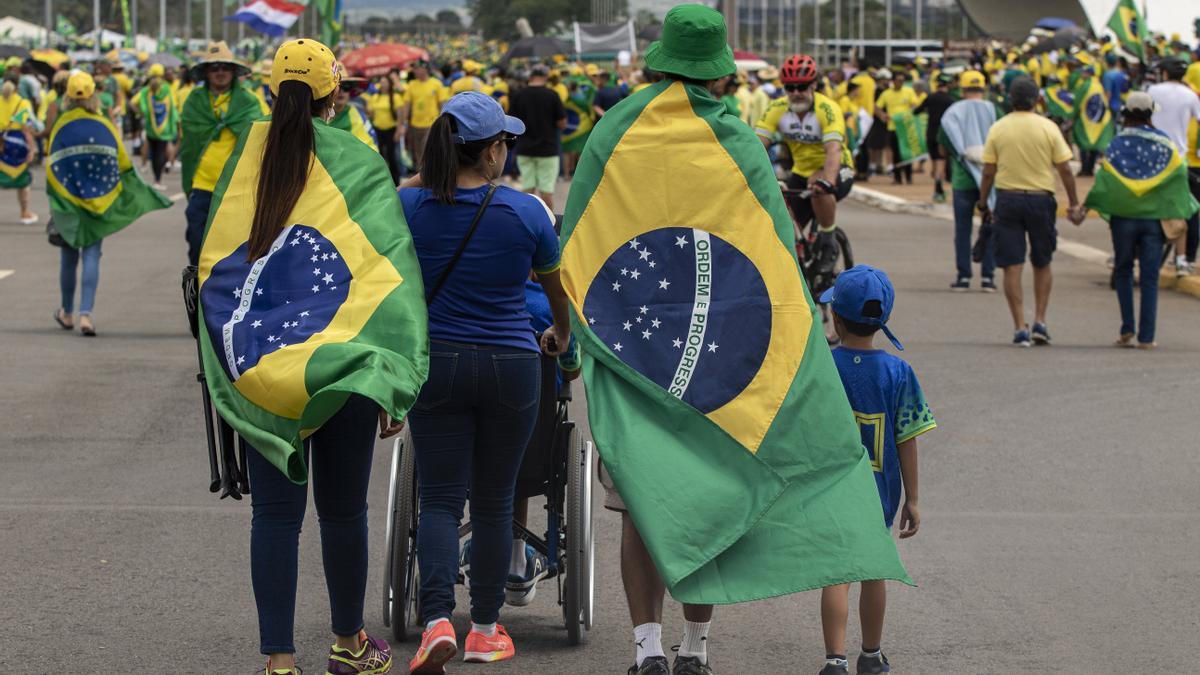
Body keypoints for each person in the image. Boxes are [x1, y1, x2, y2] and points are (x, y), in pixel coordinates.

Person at [196, 38, 428, 675]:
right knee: (343, 510)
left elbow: (211, 264)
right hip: (345, 365)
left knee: (274, 515)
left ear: (271, 90)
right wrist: (391, 377)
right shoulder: (358, 159)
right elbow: (389, 274)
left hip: (263, 367)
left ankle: (278, 661)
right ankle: (349, 644)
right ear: (336, 94)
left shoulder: (243, 157)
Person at [398, 91, 571, 673]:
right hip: (511, 364)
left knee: (441, 500)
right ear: (492, 150)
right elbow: (556, 297)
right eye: (504, 142)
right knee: (496, 502)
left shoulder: (409, 206)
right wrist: (560, 337)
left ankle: (437, 620)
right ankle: (487, 629)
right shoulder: (526, 213)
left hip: (438, 361)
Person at [816, 265, 935, 675]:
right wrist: (914, 499)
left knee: (837, 571)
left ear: (835, 316)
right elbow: (907, 438)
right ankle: (870, 653)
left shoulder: (824, 367)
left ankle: (834, 659)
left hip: (831, 490)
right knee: (873, 570)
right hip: (880, 493)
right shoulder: (898, 372)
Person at [48, 70, 171, 338]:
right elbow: (124, 163)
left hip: (68, 202)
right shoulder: (103, 124)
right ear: (93, 94)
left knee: (68, 256)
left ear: (67, 96)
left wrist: (57, 199)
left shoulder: (61, 124)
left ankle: (66, 312)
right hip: (99, 202)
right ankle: (86, 316)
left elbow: (53, 164)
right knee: (92, 254)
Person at [1083, 92, 1200, 349]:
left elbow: (1106, 178)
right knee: (1149, 277)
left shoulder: (1116, 143)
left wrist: (1088, 205)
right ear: (1150, 115)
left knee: (1123, 270)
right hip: (1154, 221)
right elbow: (1178, 175)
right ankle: (1147, 337)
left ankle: (1127, 328)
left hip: (1123, 219)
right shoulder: (1165, 144)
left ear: (1127, 115)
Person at [978, 76, 1082, 347]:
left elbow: (988, 171)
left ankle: (1019, 326)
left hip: (1008, 199)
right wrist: (1073, 202)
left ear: (1010, 100)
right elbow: (1065, 169)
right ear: (1038, 100)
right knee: (1042, 261)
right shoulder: (1048, 128)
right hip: (1041, 200)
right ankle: (1040, 320)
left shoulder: (998, 129)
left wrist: (982, 201)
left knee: (1012, 265)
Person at [757, 53, 854, 262]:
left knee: (818, 188)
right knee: (784, 226)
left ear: (814, 85)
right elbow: (756, 145)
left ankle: (828, 239)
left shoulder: (827, 109)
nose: (796, 93)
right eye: (790, 88)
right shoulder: (776, 108)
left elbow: (834, 149)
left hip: (837, 168)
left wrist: (827, 179)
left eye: (802, 86)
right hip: (801, 172)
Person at [179, 41, 268, 266]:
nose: (220, 72)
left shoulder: (248, 101)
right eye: (214, 67)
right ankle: (196, 295)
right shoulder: (194, 101)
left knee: (235, 250)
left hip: (236, 188)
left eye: (225, 67)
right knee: (196, 244)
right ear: (206, 73)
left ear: (233, 71)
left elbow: (258, 139)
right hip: (202, 186)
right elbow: (189, 142)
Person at [938, 70, 1000, 292]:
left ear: (962, 89)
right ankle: (988, 277)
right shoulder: (994, 110)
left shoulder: (952, 112)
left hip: (962, 179)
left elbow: (944, 144)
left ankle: (963, 276)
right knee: (990, 225)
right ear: (983, 88)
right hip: (989, 178)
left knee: (962, 229)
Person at [1148, 58, 1200, 274]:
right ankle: (1181, 260)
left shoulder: (1153, 90)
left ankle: (1131, 252)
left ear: (1165, 74)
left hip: (1151, 156)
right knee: (1179, 209)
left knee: (1145, 205)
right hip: (1179, 159)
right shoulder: (1190, 96)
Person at [508, 64, 566, 211]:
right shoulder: (552, 95)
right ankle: (549, 226)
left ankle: (526, 225)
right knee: (546, 193)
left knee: (527, 190)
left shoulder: (518, 95)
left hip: (524, 148)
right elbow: (562, 123)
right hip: (548, 149)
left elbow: (511, 121)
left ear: (531, 77)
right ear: (546, 77)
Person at [134, 63, 178, 190]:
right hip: (164, 129)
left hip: (150, 128)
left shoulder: (145, 91)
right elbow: (173, 108)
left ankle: (154, 177)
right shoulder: (167, 89)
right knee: (160, 153)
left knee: (153, 152)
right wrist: (175, 123)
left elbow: (135, 104)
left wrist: (141, 113)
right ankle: (158, 180)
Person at [0, 77, 37, 224]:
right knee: (23, 182)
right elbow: (26, 129)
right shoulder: (22, 102)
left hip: (1, 141)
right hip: (16, 143)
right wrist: (32, 149)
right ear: (17, 88)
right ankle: (24, 212)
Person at [914, 73, 955, 203]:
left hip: (930, 132)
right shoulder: (950, 101)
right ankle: (938, 189)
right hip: (942, 134)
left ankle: (938, 188)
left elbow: (916, 111)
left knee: (935, 161)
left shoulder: (930, 98)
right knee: (941, 162)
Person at [403, 60, 448, 171]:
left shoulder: (436, 84)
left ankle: (434, 172)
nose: (415, 71)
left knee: (430, 150)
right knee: (418, 152)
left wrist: (443, 121)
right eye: (414, 69)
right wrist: (403, 123)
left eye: (417, 68)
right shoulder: (412, 85)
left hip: (431, 124)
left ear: (425, 69)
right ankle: (422, 175)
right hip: (415, 125)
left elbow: (442, 103)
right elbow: (407, 104)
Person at [876, 70, 917, 184]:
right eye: (899, 80)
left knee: (907, 153)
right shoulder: (886, 93)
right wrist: (882, 116)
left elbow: (914, 105)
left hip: (905, 127)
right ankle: (897, 177)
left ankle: (908, 177)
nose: (901, 83)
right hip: (892, 127)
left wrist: (911, 113)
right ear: (893, 81)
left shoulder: (908, 91)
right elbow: (877, 106)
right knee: (896, 153)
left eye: (903, 81)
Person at [367, 73, 405, 183]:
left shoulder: (396, 97)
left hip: (391, 130)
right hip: (378, 130)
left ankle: (396, 181)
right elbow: (371, 113)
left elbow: (400, 116)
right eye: (381, 82)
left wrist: (399, 130)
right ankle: (383, 180)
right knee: (380, 156)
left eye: (385, 82)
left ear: (390, 84)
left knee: (392, 157)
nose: (382, 84)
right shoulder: (375, 97)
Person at [330, 74, 378, 151]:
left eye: (346, 87)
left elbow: (371, 146)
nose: (341, 91)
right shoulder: (317, 117)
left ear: (350, 92)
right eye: (337, 86)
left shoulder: (358, 115)